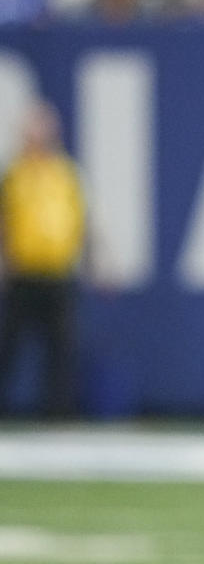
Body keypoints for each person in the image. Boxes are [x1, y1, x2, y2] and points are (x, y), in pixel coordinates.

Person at [0, 100, 86, 417]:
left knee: (61, 348)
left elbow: (81, 219)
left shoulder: (65, 173)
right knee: (9, 345)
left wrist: (95, 259)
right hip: (23, 273)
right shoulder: (14, 174)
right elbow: (5, 221)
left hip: (58, 273)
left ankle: (59, 414)